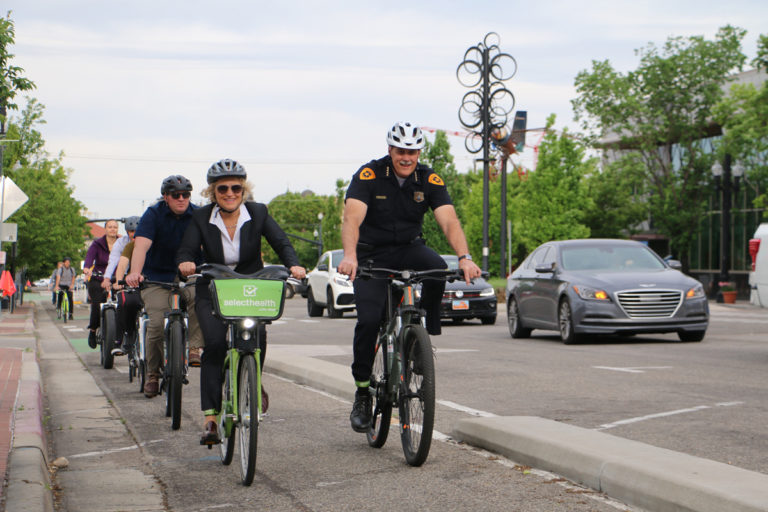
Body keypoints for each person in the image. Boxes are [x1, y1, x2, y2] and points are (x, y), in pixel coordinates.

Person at [337, 122, 482, 433]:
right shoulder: (369, 175)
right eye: (401, 151)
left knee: (438, 270)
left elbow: (449, 220)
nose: (407, 158)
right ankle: (362, 391)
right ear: (390, 150)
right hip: (370, 255)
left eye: (412, 152)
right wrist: (350, 256)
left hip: (408, 248)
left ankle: (423, 333)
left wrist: (465, 257)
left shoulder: (428, 178)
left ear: (419, 152)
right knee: (368, 320)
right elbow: (352, 218)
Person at [176, 159, 305, 445]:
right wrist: (186, 261)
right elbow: (186, 247)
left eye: (236, 187)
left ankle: (252, 377)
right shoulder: (202, 217)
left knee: (257, 337)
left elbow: (281, 242)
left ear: (244, 190)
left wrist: (293, 265)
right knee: (215, 345)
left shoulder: (258, 213)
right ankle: (210, 419)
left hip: (250, 287)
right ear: (213, 192)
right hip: (214, 288)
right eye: (223, 188)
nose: (230, 193)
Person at [126, 175, 203, 398]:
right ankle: (152, 373)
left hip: (190, 275)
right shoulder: (153, 214)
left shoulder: (198, 215)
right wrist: (135, 272)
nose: (181, 199)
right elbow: (141, 246)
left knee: (201, 297)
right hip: (156, 277)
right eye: (176, 195)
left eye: (186, 194)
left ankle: (195, 348)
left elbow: (208, 243)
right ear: (165, 197)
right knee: (156, 324)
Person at [105, 216, 141, 356]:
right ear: (127, 231)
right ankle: (120, 339)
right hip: (128, 280)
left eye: (137, 231)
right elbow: (118, 262)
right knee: (124, 302)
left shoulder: (150, 241)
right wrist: (115, 280)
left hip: (147, 282)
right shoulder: (125, 244)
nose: (134, 234)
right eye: (131, 231)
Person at [83, 219, 120, 349]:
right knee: (97, 305)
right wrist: (87, 268)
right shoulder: (97, 244)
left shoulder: (122, 243)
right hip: (98, 278)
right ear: (105, 229)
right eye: (110, 227)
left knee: (123, 303)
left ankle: (119, 333)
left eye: (115, 227)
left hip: (116, 279)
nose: (112, 229)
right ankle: (93, 331)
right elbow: (89, 257)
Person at [54, 257, 76, 323]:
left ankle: (70, 314)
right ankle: (59, 309)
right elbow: (58, 277)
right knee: (60, 296)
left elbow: (73, 277)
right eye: (66, 262)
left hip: (69, 285)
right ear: (63, 263)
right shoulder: (60, 269)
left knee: (70, 298)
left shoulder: (72, 269)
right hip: (61, 285)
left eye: (69, 262)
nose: (68, 263)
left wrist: (72, 285)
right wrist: (57, 286)